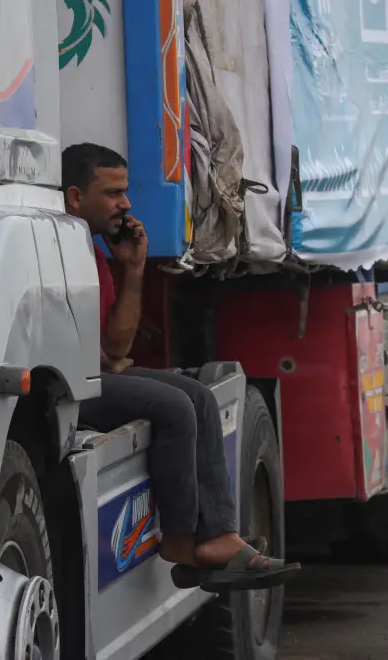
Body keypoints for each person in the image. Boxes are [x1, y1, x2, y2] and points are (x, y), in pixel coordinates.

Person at [62, 143, 298, 591]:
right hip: (67, 390)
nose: (126, 204)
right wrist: (109, 358)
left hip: (95, 373)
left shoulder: (92, 251)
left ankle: (217, 537)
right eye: (113, 193)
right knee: (173, 408)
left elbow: (114, 346)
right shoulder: (59, 246)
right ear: (75, 197)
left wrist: (132, 270)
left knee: (202, 398)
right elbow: (113, 357)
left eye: (125, 192)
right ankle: (180, 539)